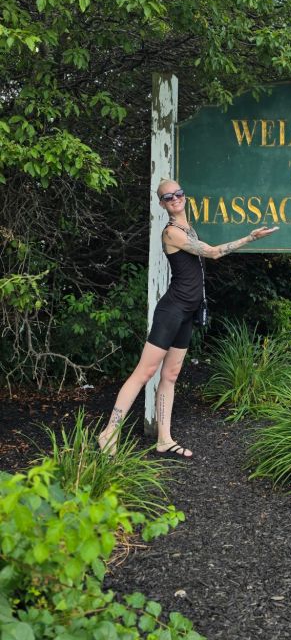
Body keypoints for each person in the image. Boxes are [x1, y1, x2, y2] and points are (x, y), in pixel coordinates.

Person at [98, 179, 279, 458]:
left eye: (178, 193)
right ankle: (109, 432)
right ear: (162, 204)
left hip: (187, 311)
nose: (175, 198)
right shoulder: (172, 232)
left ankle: (164, 440)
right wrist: (249, 238)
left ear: (184, 196)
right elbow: (214, 252)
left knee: (170, 375)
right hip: (172, 310)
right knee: (144, 373)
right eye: (168, 197)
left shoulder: (187, 228)